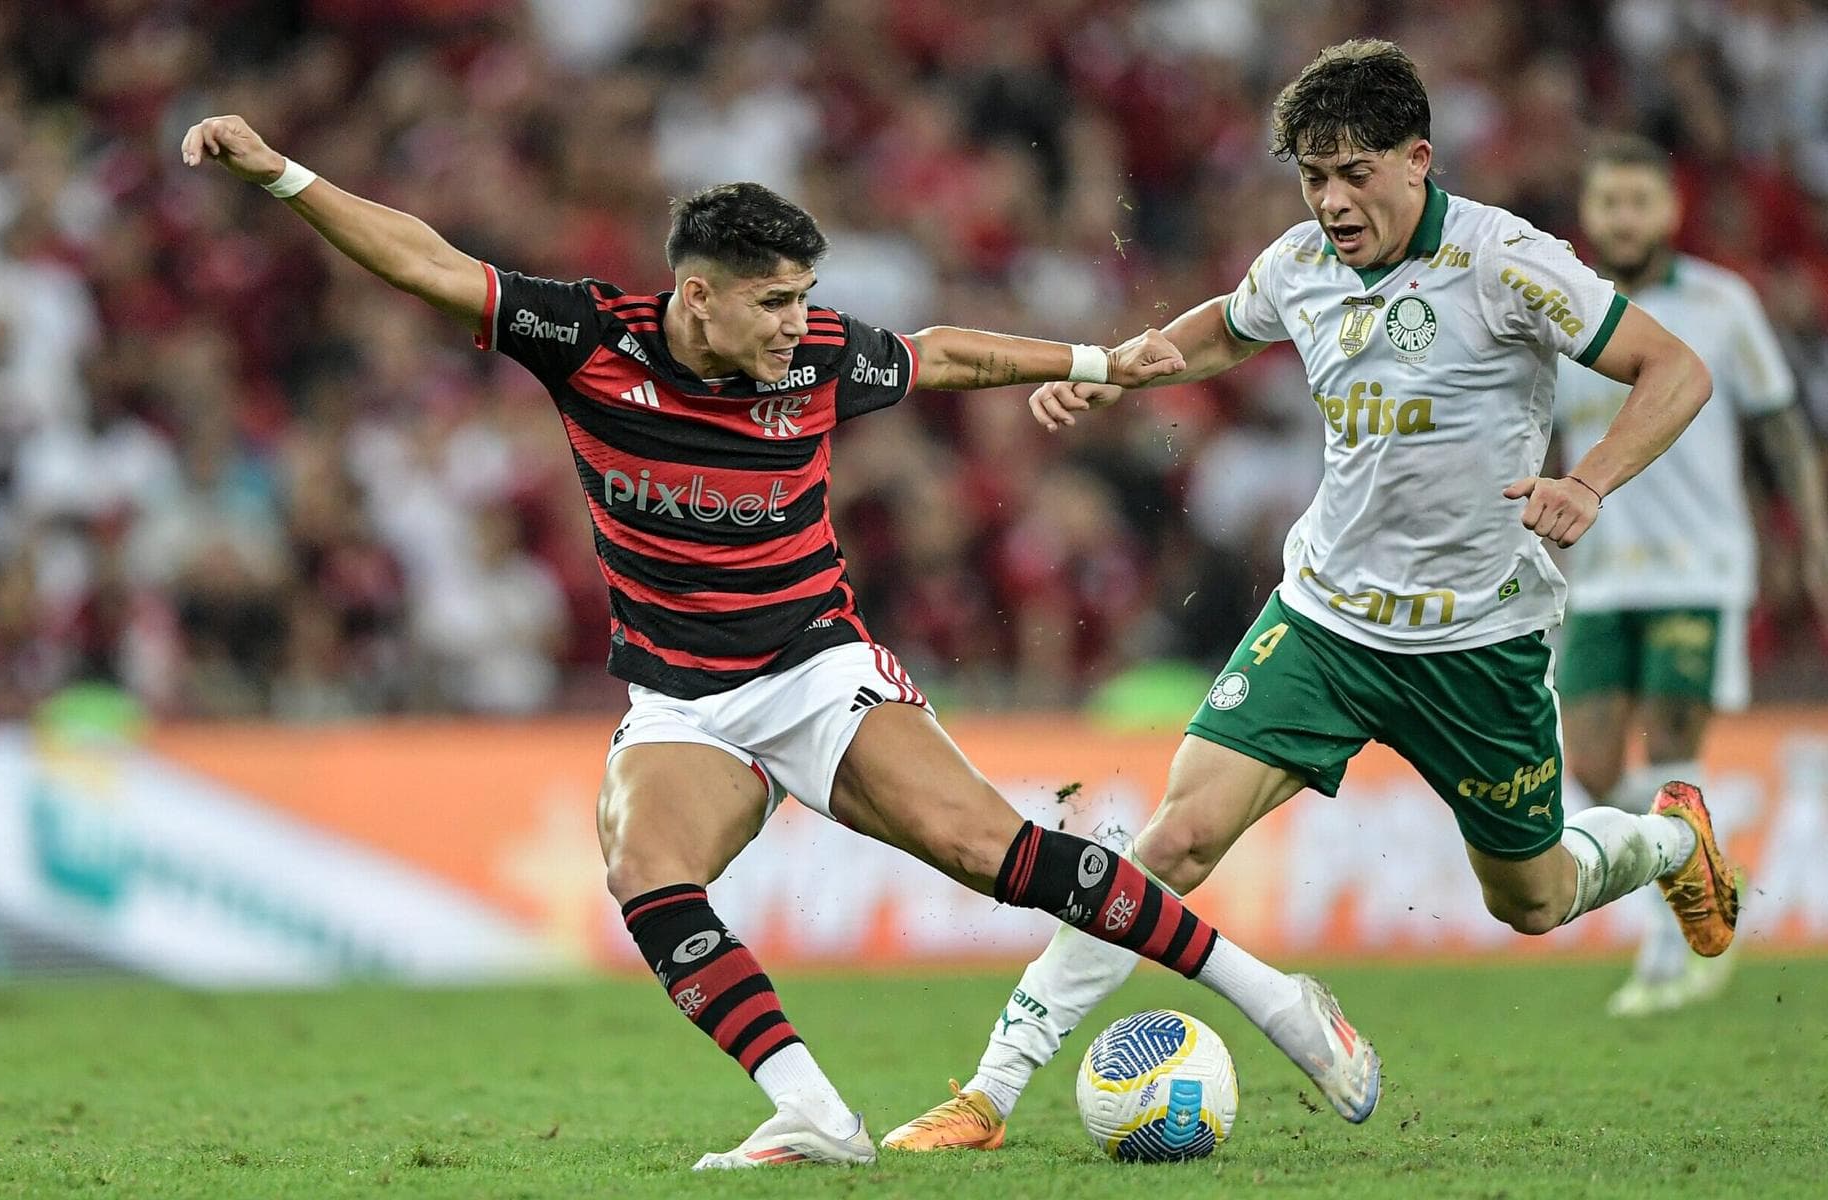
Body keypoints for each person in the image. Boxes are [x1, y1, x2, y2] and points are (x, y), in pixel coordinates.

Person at [180, 117, 1382, 1170]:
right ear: (695, 295)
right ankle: (813, 1114)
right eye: (774, 301)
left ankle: (1280, 1005)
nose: (799, 323)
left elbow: (947, 351)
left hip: (816, 672)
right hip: (682, 702)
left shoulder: (814, 361)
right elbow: (428, 264)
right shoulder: (591, 340)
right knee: (643, 873)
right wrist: (282, 173)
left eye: (806, 297)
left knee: (995, 852)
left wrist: (1094, 363)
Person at [881, 39, 1733, 1153]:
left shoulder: (1509, 262)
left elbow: (1676, 370)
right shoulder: (1301, 264)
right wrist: (1107, 373)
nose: (1331, 200)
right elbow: (1218, 332)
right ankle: (989, 1095)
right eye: (1312, 176)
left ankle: (1668, 844)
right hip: (1324, 622)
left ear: (1418, 159)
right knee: (1176, 840)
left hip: (1478, 641)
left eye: (1354, 172)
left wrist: (1588, 481)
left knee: (1530, 901)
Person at [1552, 135, 1828, 1017]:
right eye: (1609, 203)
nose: (1624, 218)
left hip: (1697, 571)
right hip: (1596, 576)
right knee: (1591, 767)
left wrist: (1817, 538)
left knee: (1670, 759)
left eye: (1640, 201)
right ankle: (1702, 853)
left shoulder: (1722, 303)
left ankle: (1668, 956)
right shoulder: (1564, 311)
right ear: (1588, 215)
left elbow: (1783, 428)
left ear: (1670, 210)